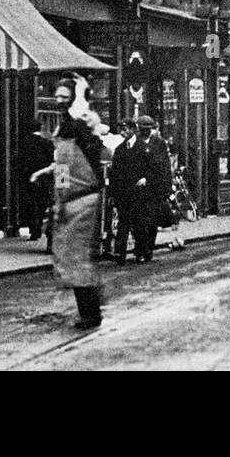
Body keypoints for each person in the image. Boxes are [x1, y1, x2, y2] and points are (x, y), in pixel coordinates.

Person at [31, 76, 105, 328]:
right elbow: (63, 164)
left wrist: (82, 94)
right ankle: (90, 307)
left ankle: (91, 312)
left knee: (76, 256)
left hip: (83, 198)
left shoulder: (80, 125)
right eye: (58, 96)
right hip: (72, 197)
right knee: (71, 255)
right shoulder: (67, 126)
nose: (60, 100)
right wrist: (56, 190)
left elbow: (77, 157)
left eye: (65, 96)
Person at [110, 116, 153, 264]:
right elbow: (114, 174)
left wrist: (146, 178)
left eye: (125, 129)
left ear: (133, 130)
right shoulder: (119, 150)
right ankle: (120, 254)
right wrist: (112, 194)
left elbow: (152, 168)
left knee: (139, 223)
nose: (123, 133)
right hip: (123, 193)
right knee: (123, 223)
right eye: (121, 130)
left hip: (139, 192)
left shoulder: (143, 148)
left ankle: (141, 252)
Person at [17, 119, 56, 245]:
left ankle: (34, 230)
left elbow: (20, 161)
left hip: (29, 178)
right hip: (45, 179)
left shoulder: (24, 144)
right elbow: (54, 163)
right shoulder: (49, 144)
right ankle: (40, 228)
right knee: (42, 204)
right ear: (40, 129)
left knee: (30, 204)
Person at [141, 118, 175, 260]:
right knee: (140, 220)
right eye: (143, 128)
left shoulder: (159, 143)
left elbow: (165, 167)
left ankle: (148, 249)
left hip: (155, 189)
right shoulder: (135, 142)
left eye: (148, 129)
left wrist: (167, 188)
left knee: (152, 221)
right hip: (140, 189)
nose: (145, 131)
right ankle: (141, 249)